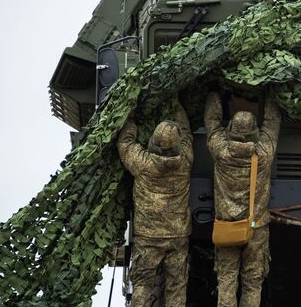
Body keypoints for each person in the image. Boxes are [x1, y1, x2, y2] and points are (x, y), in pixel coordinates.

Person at [204, 92, 281, 307]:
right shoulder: (263, 154)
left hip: (227, 230)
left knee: (227, 283)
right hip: (256, 229)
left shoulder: (221, 152)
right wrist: (272, 91)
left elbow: (211, 122)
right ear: (256, 133)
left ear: (229, 131)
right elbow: (273, 122)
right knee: (252, 285)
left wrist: (214, 93)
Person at [117, 100, 194, 307]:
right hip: (178, 235)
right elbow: (185, 131)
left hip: (148, 237)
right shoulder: (185, 160)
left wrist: (131, 120)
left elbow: (125, 143)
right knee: (176, 286)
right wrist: (175, 104)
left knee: (142, 284)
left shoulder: (142, 164)